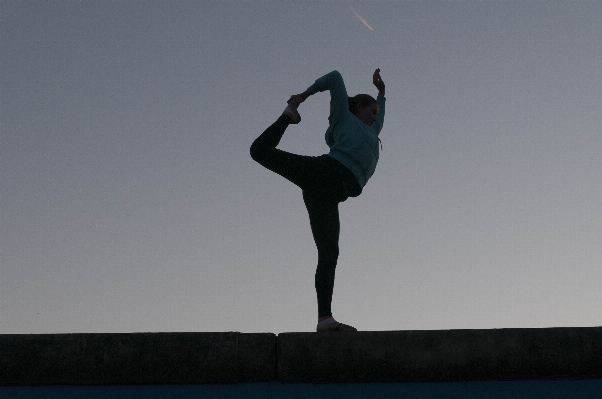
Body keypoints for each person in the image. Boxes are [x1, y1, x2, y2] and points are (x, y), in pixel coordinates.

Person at [250, 69, 386, 332]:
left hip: (328, 193)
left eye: (377, 115)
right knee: (259, 151)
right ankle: (287, 116)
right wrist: (302, 96)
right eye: (371, 112)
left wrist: (381, 93)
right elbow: (335, 77)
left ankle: (325, 318)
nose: (375, 118)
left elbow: (381, 113)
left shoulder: (372, 129)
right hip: (324, 172)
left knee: (329, 252)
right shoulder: (343, 118)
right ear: (358, 107)